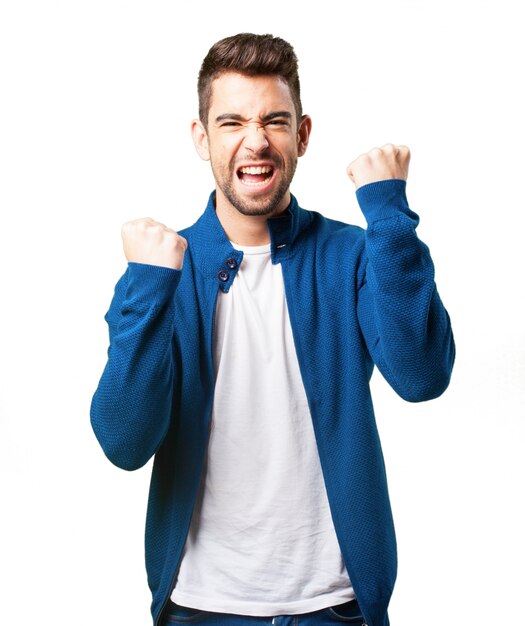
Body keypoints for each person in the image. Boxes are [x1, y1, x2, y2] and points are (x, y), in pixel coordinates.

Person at [91, 33, 455, 626]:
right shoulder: (164, 272)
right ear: (201, 138)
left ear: (302, 134)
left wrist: (389, 213)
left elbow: (422, 376)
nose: (255, 141)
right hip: (202, 608)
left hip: (335, 607)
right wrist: (145, 287)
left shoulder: (354, 254)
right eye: (232, 121)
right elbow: (124, 442)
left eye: (274, 121)